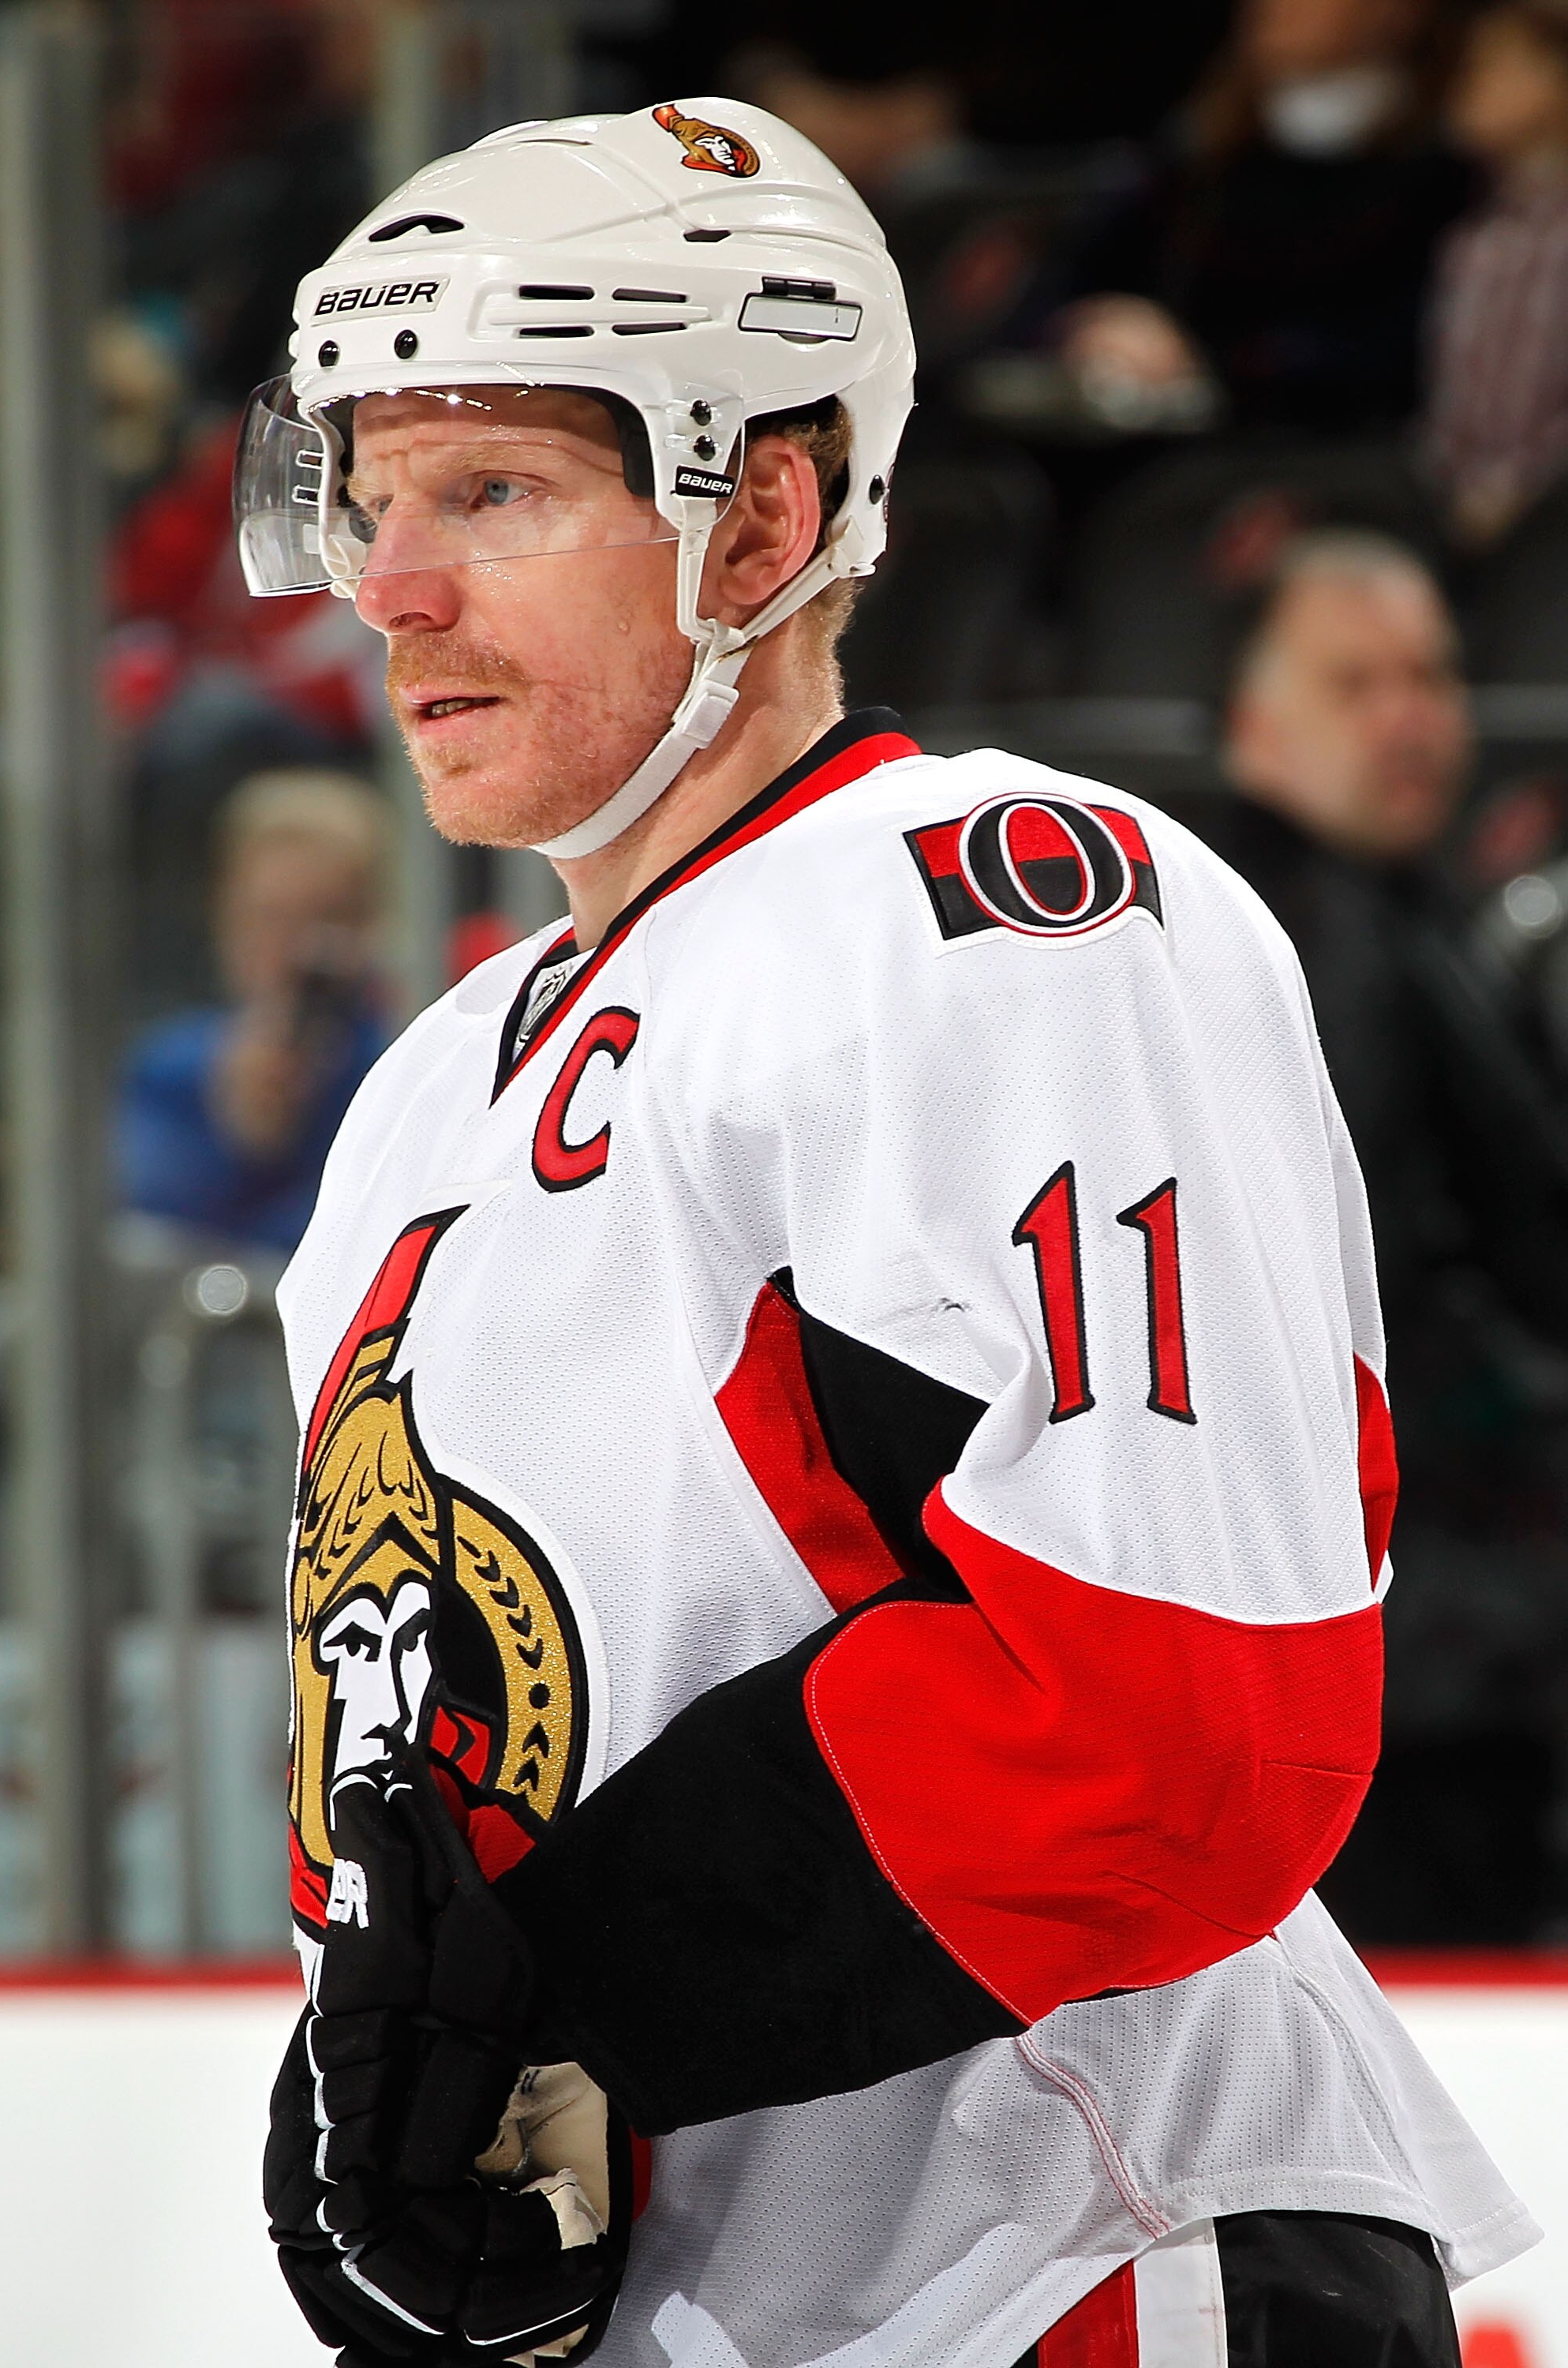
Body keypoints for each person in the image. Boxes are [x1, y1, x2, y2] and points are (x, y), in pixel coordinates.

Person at [240, 102, 1535, 2368]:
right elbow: (427, 1781)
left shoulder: (989, 918)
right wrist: (399, 2124)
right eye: (365, 496)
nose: (387, 583)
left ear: (756, 510)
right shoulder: (419, 1101)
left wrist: (571, 2022)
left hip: (1074, 2268)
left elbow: (1167, 1713)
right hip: (721, 2313)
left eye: (491, 494)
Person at [1192, 530, 1568, 1942]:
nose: (1411, 716)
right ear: (1253, 724)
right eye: (1357, 683)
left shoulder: (1394, 918)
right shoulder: (1290, 943)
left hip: (1427, 1629)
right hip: (1396, 1651)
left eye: (1431, 678)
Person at [1063, 0, 1471, 435]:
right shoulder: (1197, 154)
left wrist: (1209, 360)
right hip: (1151, 426)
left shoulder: (1448, 172)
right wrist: (1098, 323)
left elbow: (1402, 346)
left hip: (1333, 446)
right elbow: (1066, 281)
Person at [118, 769, 393, 1253]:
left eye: (326, 917)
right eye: (271, 918)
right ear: (224, 917)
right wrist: (237, 1135)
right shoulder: (170, 1069)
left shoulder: (401, 1068)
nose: (293, 951)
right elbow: (146, 1231)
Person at [1423, 1, 1568, 546]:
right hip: (1458, 518)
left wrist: (1519, 488)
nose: (1465, 87)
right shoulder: (1474, 238)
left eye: (1489, 66)